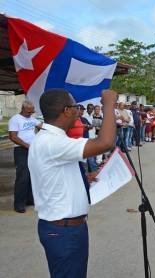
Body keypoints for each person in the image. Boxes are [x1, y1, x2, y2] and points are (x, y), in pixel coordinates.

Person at [28, 88, 117, 278]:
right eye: (76, 107)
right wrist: (109, 105)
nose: (79, 111)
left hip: (68, 227)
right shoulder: (51, 142)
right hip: (63, 231)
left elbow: (52, 176)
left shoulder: (51, 139)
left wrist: (84, 179)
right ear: (67, 111)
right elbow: (105, 142)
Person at [8, 100, 42, 213]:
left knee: (32, 175)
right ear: (23, 109)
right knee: (22, 177)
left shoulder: (32, 119)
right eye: (29, 111)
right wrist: (27, 146)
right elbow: (13, 137)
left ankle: (29, 199)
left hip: (32, 150)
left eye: (32, 110)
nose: (31, 112)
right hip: (21, 150)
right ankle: (19, 204)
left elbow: (42, 126)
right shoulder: (15, 119)